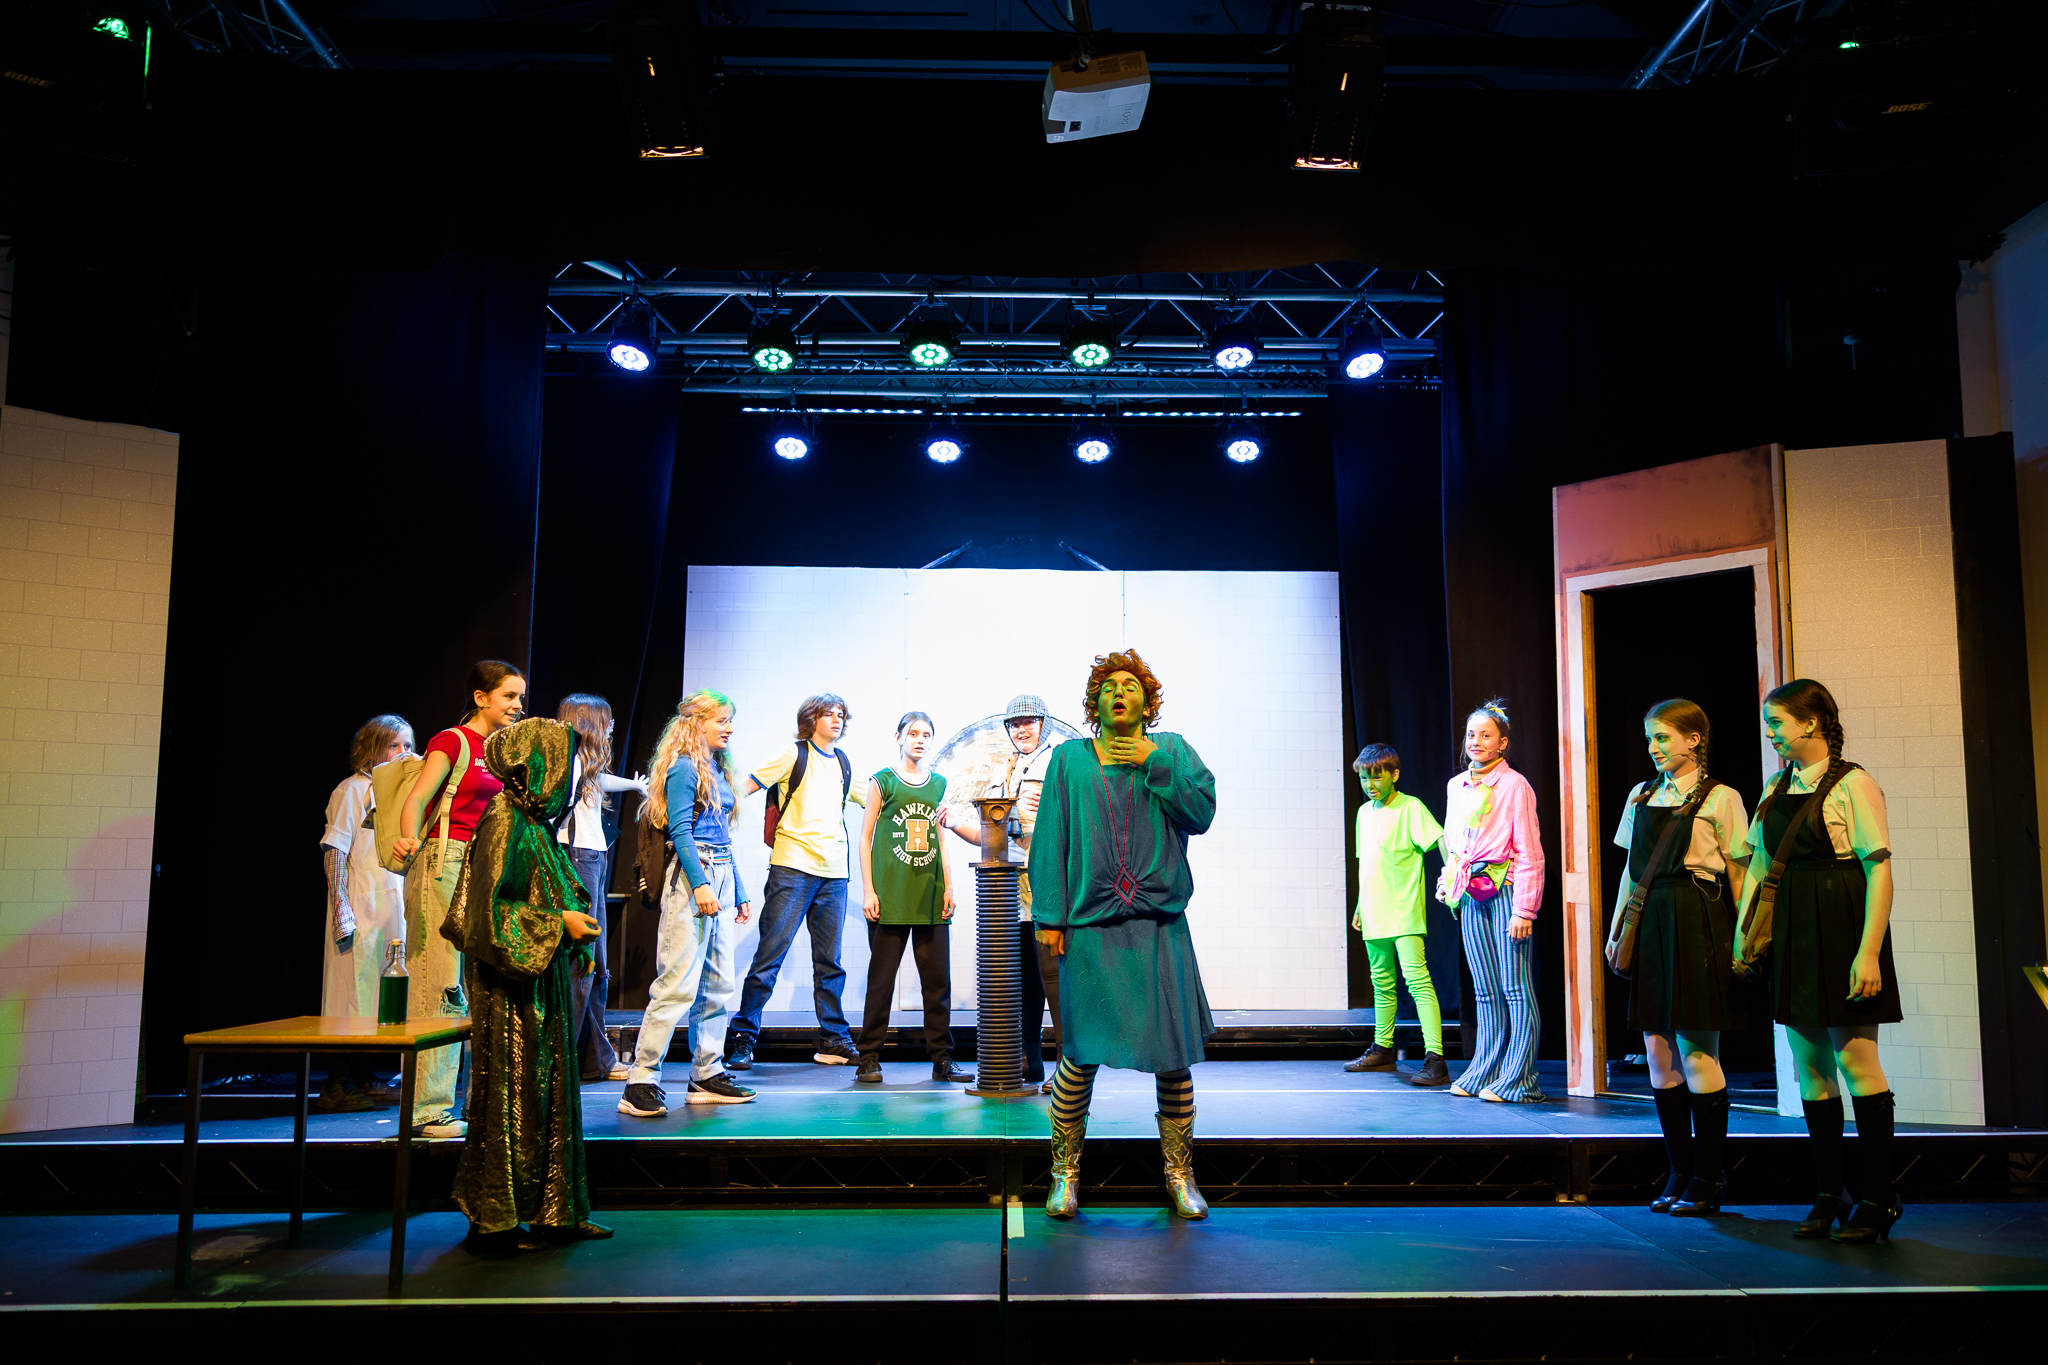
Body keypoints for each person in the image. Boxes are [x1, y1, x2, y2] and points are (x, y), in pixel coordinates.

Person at [1030, 649, 1217, 1221]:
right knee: (1079, 1054)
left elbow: (1202, 813)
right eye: (1108, 686)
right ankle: (1064, 1173)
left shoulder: (1172, 750)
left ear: (1147, 702)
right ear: (1095, 703)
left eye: (1130, 685)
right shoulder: (1069, 758)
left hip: (1159, 926)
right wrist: (1050, 917)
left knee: (1172, 1056)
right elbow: (1051, 838)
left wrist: (1154, 762)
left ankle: (1180, 1173)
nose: (1119, 692)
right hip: (1091, 929)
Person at [1734, 679, 1902, 1243]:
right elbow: (1760, 865)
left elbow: (1878, 869)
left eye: (1777, 723)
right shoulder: (1775, 786)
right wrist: (1743, 934)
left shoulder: (1854, 783)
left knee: (1857, 1063)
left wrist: (1869, 952)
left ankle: (1880, 1197)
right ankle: (1830, 1193)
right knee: (1810, 1068)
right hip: (1793, 929)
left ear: (1809, 724)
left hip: (1842, 922)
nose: (1770, 733)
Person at [443, 717, 610, 1252]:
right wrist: (558, 925)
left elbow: (554, 889)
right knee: (514, 1096)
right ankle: (494, 1221)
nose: (572, 777)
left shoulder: (533, 823)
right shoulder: (503, 819)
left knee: (549, 1096)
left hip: (542, 983)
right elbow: (485, 917)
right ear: (542, 767)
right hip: (511, 992)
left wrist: (574, 939)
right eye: (566, 765)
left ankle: (555, 1212)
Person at [1606, 699, 1753, 1216]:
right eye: (1650, 738)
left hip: (1697, 917)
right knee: (1657, 1050)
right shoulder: (1641, 794)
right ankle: (1679, 1171)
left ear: (1694, 740)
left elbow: (1739, 871)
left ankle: (1709, 1177)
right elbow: (1631, 871)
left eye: (1663, 737)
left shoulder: (1722, 797)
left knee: (1696, 1049)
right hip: (1650, 919)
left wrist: (1744, 936)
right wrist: (1617, 929)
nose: (1653, 747)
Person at [390, 659, 527, 1138]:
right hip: (443, 860)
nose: (518, 704)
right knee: (439, 981)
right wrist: (408, 838)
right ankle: (425, 1111)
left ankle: (468, 1102)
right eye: (509, 695)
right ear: (480, 697)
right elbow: (417, 798)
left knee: (476, 985)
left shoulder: (502, 750)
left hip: (484, 867)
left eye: (520, 696)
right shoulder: (454, 741)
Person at [618, 690, 758, 1117]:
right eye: (721, 720)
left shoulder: (717, 767)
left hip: (720, 873)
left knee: (718, 984)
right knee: (677, 983)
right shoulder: (683, 767)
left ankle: (707, 1073)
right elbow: (681, 830)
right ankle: (640, 1080)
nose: (729, 728)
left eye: (730, 720)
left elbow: (722, 836)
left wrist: (738, 888)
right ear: (697, 722)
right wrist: (700, 884)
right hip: (691, 874)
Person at [726, 694, 867, 1070]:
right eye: (828, 714)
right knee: (769, 957)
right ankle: (742, 1038)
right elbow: (746, 786)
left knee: (830, 963)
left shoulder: (843, 762)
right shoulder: (793, 754)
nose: (836, 720)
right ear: (811, 719)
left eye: (841, 714)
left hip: (834, 875)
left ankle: (833, 1040)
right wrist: (711, 807)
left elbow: (874, 798)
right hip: (791, 869)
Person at [938, 694, 1064, 1089]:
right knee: (1021, 980)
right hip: (1010, 890)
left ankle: (1067, 1067)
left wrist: (1047, 802)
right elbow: (994, 836)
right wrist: (956, 823)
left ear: (1043, 724)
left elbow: (1070, 819)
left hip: (1046, 883)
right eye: (1015, 724)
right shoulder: (1007, 769)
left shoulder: (1058, 763)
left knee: (1054, 979)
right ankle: (1028, 1060)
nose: (1022, 729)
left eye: (1029, 722)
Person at [1436, 698, 1547, 1103]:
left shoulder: (1515, 785)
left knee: (1514, 987)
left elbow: (1530, 851)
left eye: (1486, 735)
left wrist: (1524, 909)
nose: (1476, 741)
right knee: (1484, 988)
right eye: (1471, 734)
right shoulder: (1456, 785)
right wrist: (1449, 880)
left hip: (1506, 891)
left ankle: (1520, 1078)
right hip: (1471, 891)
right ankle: (1486, 1068)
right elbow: (1454, 842)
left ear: (1502, 743)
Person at [856, 712, 971, 1084]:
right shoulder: (883, 781)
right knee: (881, 983)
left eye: (926, 734)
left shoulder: (938, 784)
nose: (920, 740)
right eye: (913, 733)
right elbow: (865, 837)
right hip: (890, 896)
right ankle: (868, 1058)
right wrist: (869, 889)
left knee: (937, 985)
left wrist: (949, 885)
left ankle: (942, 1059)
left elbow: (941, 838)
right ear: (899, 737)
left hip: (930, 896)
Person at [315, 713, 413, 1111]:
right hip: (360, 905)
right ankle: (336, 1083)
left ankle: (363, 1075)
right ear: (373, 749)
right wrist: (341, 906)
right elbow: (335, 850)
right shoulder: (352, 790)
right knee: (351, 993)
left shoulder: (403, 794)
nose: (403, 753)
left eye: (408, 745)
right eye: (394, 745)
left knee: (379, 994)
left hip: (392, 907)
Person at [1342, 743, 1450, 1087]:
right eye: (1364, 778)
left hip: (1403, 910)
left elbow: (1440, 839)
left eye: (1376, 777)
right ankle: (1382, 1049)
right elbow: (1368, 863)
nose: (1370, 784)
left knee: (1417, 980)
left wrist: (1453, 877)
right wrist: (1361, 904)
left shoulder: (1410, 807)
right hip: (1374, 911)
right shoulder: (1364, 813)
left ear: (1394, 775)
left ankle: (1435, 1058)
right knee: (1382, 982)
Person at [554, 694, 647, 1085]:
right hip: (578, 857)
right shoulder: (569, 762)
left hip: (593, 857)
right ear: (589, 723)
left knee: (596, 965)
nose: (611, 728)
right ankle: (564, 1063)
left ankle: (593, 1059)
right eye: (606, 722)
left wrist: (635, 785)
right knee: (584, 962)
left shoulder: (583, 764)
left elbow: (599, 781)